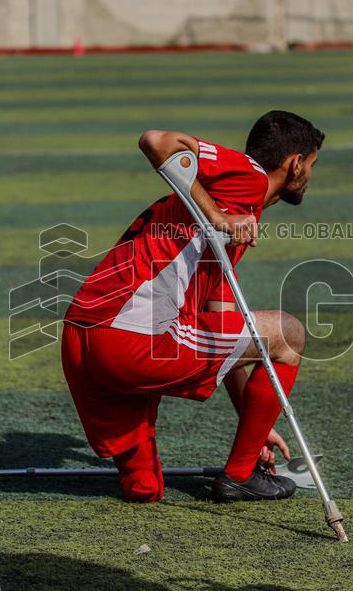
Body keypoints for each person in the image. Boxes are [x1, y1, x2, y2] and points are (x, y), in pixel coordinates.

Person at [62, 111, 323, 503]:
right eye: (313, 166)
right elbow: (156, 140)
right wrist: (217, 217)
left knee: (145, 489)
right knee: (289, 334)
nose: (310, 177)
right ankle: (240, 474)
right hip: (131, 338)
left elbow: (218, 321)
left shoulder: (235, 208)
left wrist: (253, 425)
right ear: (296, 163)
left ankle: (239, 465)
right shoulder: (249, 177)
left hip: (82, 340)